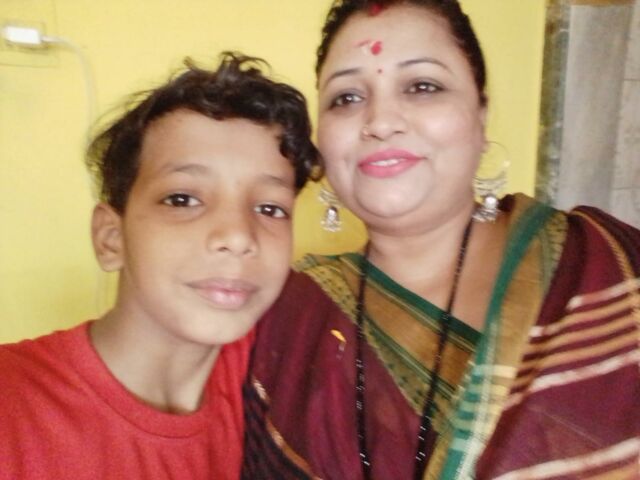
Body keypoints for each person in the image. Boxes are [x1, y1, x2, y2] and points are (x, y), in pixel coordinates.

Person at [242, 1, 640, 479]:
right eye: (346, 98)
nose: (380, 121)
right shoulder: (289, 318)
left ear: (481, 115)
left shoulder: (607, 265)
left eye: (422, 86)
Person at [0, 52, 319, 480]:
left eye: (270, 208)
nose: (239, 235)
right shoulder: (12, 410)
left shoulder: (271, 371)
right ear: (111, 238)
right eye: (182, 199)